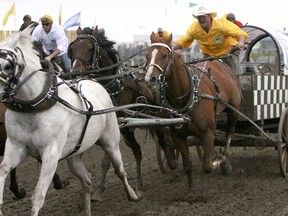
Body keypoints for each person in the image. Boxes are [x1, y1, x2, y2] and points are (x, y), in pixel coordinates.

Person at [172, 6, 248, 75]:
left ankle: (238, 86)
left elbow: (240, 34)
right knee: (202, 74)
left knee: (234, 74)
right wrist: (171, 48)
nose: (201, 18)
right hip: (209, 55)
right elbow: (184, 40)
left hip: (228, 52)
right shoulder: (194, 29)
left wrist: (240, 43)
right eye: (199, 17)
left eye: (203, 16)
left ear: (209, 17)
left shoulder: (221, 26)